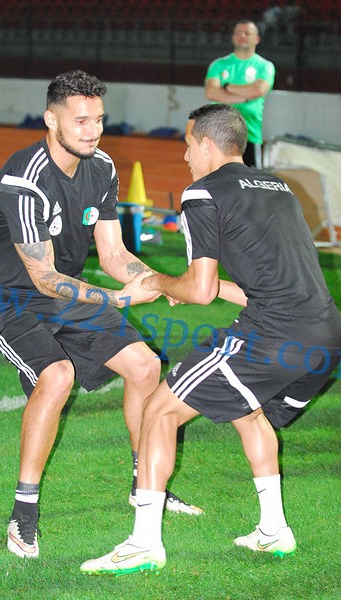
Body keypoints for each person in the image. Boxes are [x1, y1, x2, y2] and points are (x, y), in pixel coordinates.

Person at [80, 103, 341, 576]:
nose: (184, 156)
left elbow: (197, 291)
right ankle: (273, 529)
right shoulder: (279, 187)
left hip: (272, 333)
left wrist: (158, 282)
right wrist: (197, 286)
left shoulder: (202, 192)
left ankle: (143, 543)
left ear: (205, 144)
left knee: (159, 410)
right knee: (248, 410)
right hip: (324, 332)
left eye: (187, 145)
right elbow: (254, 285)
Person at [0, 70, 203, 560]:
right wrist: (116, 300)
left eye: (98, 119)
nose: (92, 130)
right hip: (3, 297)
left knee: (145, 366)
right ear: (51, 120)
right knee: (56, 376)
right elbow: (44, 278)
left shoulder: (102, 166)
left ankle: (144, 482)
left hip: (61, 291)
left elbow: (113, 255)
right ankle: (23, 513)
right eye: (81, 120)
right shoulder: (25, 179)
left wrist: (158, 282)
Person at [205, 20, 275, 168]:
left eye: (247, 33)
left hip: (250, 134)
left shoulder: (265, 66)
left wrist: (227, 86)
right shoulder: (218, 64)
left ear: (257, 39)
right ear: (233, 37)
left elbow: (258, 90)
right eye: (238, 32)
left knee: (250, 179)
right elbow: (211, 92)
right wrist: (245, 97)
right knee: (218, 178)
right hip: (219, 134)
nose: (242, 36)